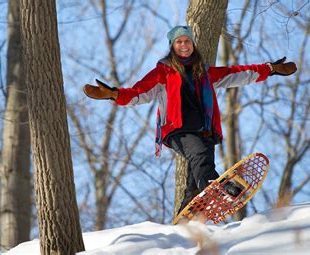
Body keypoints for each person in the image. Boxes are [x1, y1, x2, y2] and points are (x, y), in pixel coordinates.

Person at [83, 25, 297, 214]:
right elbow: (139, 92)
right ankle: (218, 187)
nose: (184, 45)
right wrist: (114, 94)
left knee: (195, 177)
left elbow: (239, 73)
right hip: (177, 129)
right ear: (172, 46)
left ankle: (187, 216)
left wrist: (270, 69)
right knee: (200, 157)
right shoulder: (162, 72)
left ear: (192, 44)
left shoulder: (204, 73)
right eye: (179, 41)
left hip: (205, 130)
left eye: (187, 41)